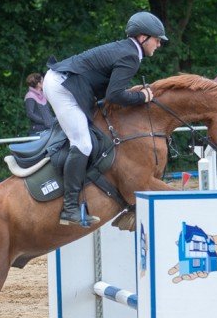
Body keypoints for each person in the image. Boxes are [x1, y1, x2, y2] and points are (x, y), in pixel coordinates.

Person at [43, 11, 167, 226]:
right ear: (142, 37)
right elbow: (115, 95)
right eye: (157, 39)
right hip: (63, 87)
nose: (159, 44)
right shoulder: (130, 56)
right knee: (82, 143)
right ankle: (69, 207)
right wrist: (142, 96)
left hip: (70, 85)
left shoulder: (127, 50)